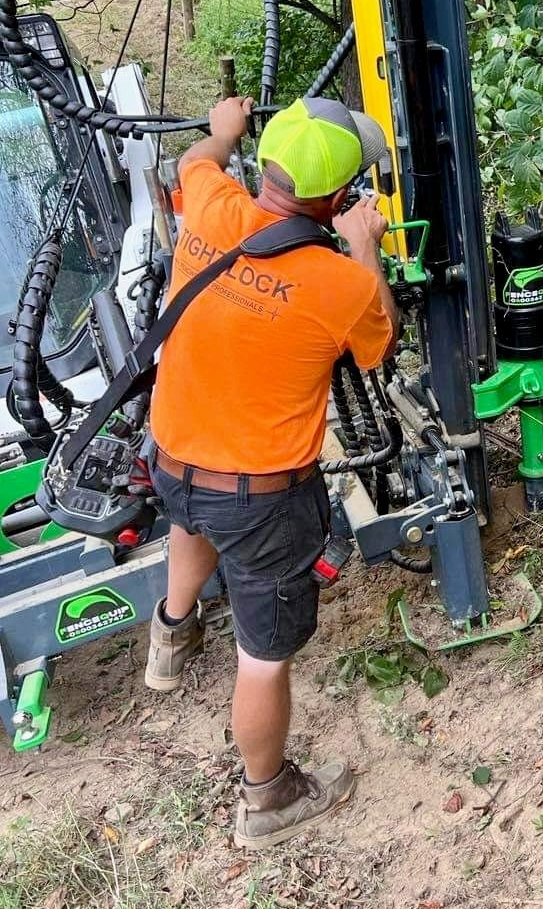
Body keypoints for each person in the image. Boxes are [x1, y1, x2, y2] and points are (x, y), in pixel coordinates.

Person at [144, 93, 399, 850]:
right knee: (263, 655)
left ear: (269, 165)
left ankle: (172, 632)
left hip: (172, 460)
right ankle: (267, 800)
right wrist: (366, 250)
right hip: (259, 501)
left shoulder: (213, 206)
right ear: (339, 197)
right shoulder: (340, 285)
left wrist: (221, 131)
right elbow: (377, 349)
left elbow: (197, 160)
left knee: (192, 518)